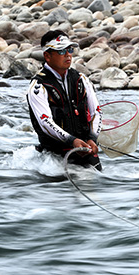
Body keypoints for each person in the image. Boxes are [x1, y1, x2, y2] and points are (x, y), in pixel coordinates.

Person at [26, 30, 103, 171]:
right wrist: (71, 140)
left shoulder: (82, 79)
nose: (67, 54)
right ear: (47, 56)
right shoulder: (38, 86)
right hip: (53, 158)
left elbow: (96, 112)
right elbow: (45, 122)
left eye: (70, 49)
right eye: (61, 51)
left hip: (85, 151)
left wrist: (92, 138)